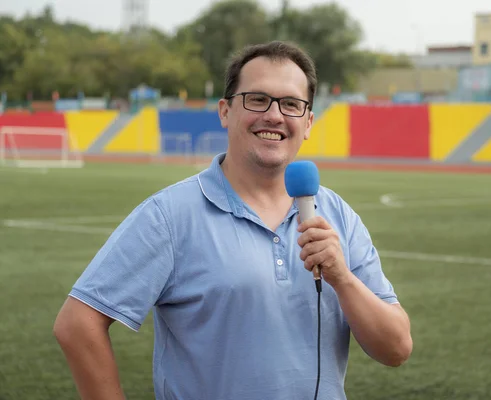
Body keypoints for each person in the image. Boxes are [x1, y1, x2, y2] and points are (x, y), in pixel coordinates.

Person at [53, 40, 412, 400]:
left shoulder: (338, 217)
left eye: (291, 104)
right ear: (225, 111)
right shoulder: (170, 215)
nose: (274, 115)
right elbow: (77, 324)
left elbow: (396, 349)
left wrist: (343, 279)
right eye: (257, 99)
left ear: (308, 122)